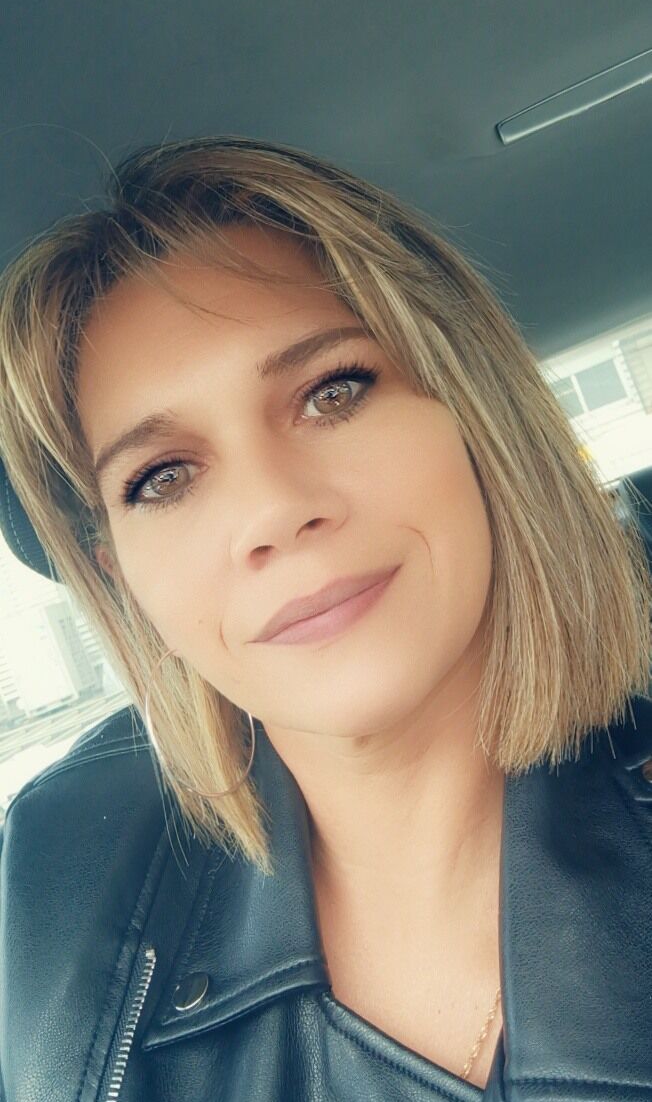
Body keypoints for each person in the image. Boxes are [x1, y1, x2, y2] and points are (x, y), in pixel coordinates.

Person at [0, 135, 650, 1102]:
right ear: (121, 579)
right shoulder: (61, 900)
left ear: (475, 412)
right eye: (163, 478)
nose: (272, 510)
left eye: (332, 392)